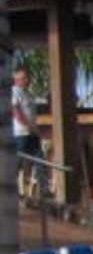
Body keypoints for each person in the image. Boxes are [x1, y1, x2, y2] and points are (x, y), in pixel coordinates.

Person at [12, 64, 42, 197]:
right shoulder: (14, 91)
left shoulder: (28, 94)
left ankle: (40, 190)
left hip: (32, 133)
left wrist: (35, 129)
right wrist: (28, 126)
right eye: (23, 78)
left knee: (39, 159)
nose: (27, 80)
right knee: (17, 163)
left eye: (27, 77)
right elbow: (16, 112)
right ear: (16, 79)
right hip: (21, 134)